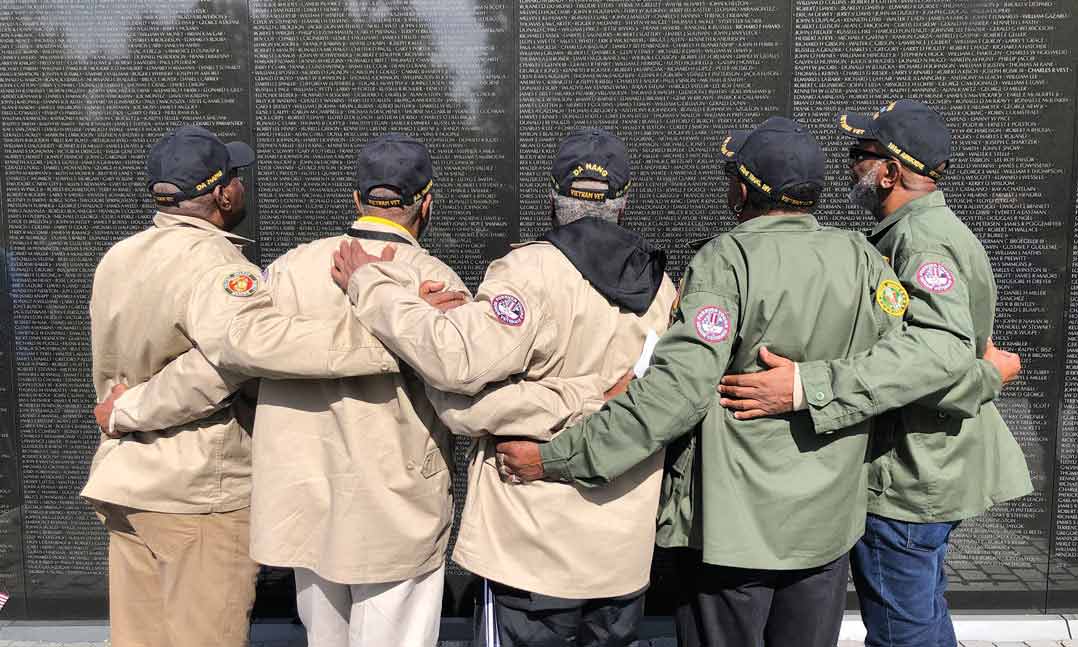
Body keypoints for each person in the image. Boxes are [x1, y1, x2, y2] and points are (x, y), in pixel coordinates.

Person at [495, 116, 951, 647]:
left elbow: (676, 394)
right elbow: (923, 352)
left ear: (743, 187)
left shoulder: (725, 262)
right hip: (825, 534)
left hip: (735, 538)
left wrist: (558, 457)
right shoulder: (865, 261)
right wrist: (820, 385)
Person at [329, 128, 677, 647]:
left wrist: (373, 287)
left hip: (530, 549)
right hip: (620, 556)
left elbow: (455, 366)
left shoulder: (528, 272)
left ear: (552, 198)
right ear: (626, 201)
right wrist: (595, 397)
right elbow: (643, 401)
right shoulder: (664, 290)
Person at [715, 100, 1032, 647]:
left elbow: (937, 352)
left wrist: (806, 387)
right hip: (927, 468)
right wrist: (985, 373)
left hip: (910, 476)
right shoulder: (911, 233)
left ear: (890, 171)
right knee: (924, 620)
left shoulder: (920, 241)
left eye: (861, 154)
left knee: (901, 633)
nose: (850, 165)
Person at [85, 125, 410, 647]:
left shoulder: (118, 257)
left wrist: (125, 414)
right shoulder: (216, 266)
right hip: (196, 494)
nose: (242, 187)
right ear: (221, 193)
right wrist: (397, 336)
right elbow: (237, 356)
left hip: (128, 483)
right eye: (237, 177)